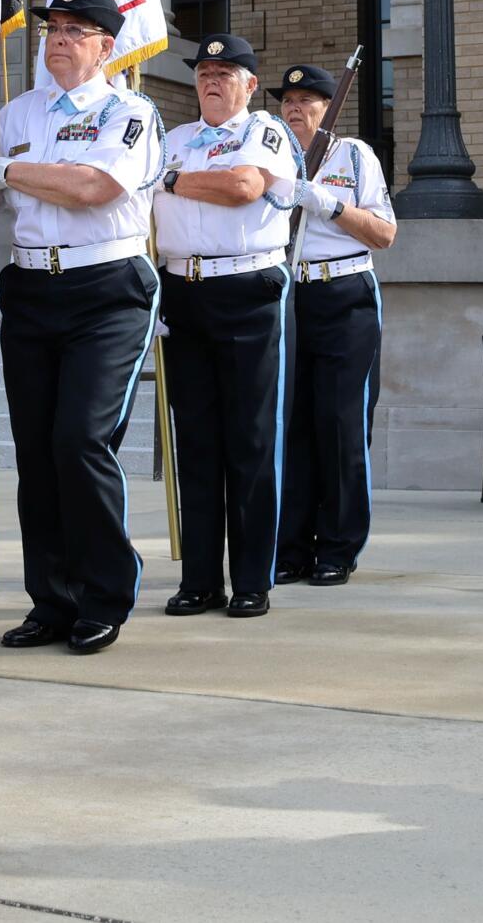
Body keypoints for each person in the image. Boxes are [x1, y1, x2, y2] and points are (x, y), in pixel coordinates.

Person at [0, 0, 166, 654]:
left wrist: (11, 170)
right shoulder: (18, 112)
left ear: (106, 46)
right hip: (32, 283)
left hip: (107, 287)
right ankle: (52, 599)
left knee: (80, 439)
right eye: (52, 29)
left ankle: (105, 592)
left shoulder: (131, 112)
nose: (58, 39)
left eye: (75, 30)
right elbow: (2, 201)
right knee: (37, 451)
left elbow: (93, 188)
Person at [151, 34, 296, 618]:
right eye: (204, 71)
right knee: (198, 444)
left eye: (225, 71)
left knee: (250, 442)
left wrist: (172, 181)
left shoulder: (263, 131)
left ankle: (253, 579)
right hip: (184, 291)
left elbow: (244, 187)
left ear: (249, 84)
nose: (211, 80)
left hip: (246, 291)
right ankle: (200, 579)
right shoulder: (175, 139)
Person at [273, 63, 398, 584]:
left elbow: (384, 233)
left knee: (341, 424)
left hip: (345, 293)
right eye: (288, 101)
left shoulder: (354, 155)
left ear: (329, 109)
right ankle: (292, 547)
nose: (295, 109)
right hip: (289, 294)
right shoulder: (271, 155)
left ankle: (339, 547)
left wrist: (331, 205)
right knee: (293, 425)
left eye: (308, 101)